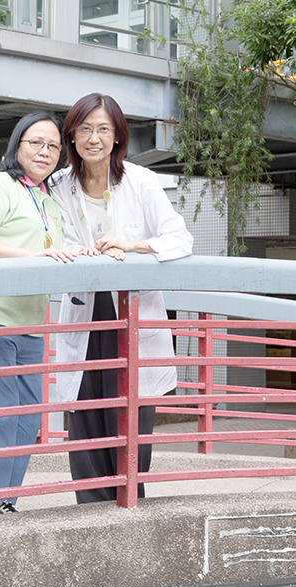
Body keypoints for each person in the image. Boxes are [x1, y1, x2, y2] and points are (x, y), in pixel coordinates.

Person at [51, 93, 193, 504]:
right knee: (84, 421)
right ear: (71, 136)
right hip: (85, 310)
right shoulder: (58, 185)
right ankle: (90, 515)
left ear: (117, 137)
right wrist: (80, 252)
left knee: (129, 422)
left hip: (131, 313)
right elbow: (49, 240)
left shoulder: (141, 181)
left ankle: (129, 511)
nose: (93, 138)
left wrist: (131, 246)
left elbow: (179, 239)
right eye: (84, 129)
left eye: (103, 129)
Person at [0, 112, 76, 518]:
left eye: (53, 146)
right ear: (16, 145)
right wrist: (30, 257)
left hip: (30, 321)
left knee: (26, 417)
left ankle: (1, 499)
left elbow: (55, 251)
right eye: (35, 142)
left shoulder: (47, 200)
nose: (45, 151)